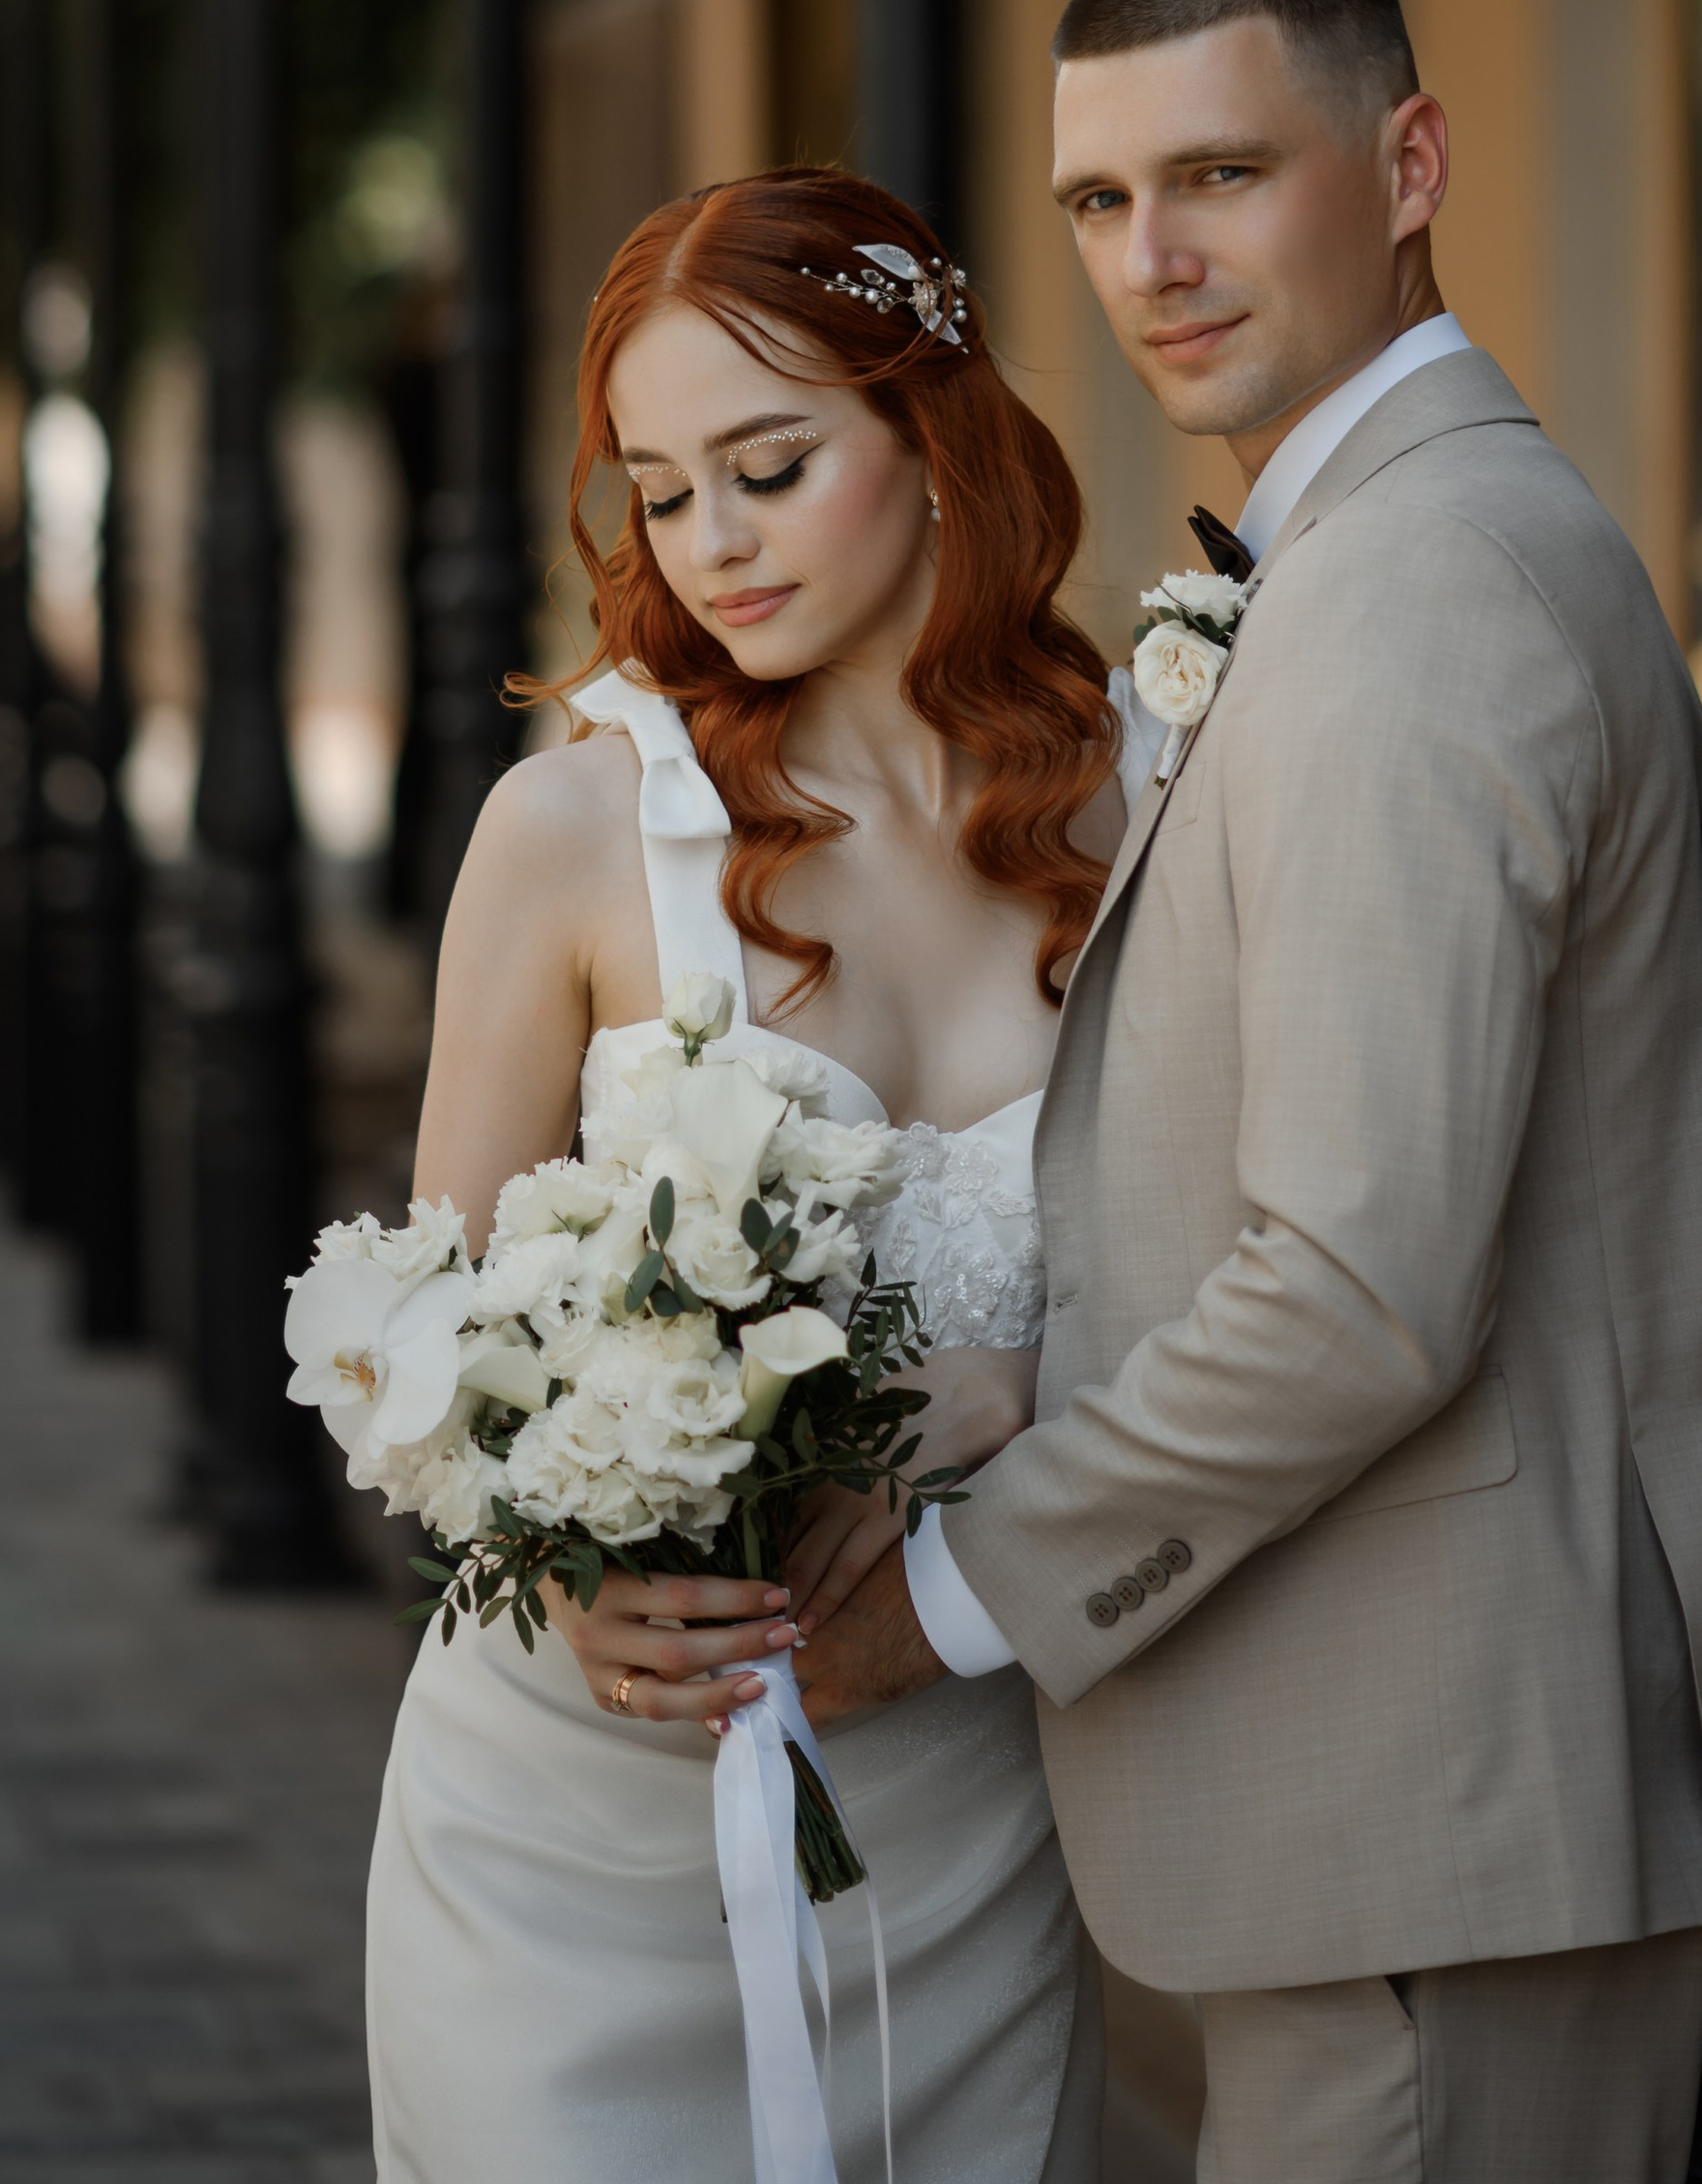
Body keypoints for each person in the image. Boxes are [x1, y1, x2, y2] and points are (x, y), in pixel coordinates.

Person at [799, 0, 1702, 2184]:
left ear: (1409, 160)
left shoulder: (1417, 591)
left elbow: (1358, 1287)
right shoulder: (1350, 549)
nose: (1148, 257)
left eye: (1223, 176)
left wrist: (945, 1602)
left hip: (1434, 1816)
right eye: (1095, 199)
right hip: (1362, 1808)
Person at [364, 165, 1117, 2184]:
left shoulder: (1145, 799)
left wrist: (1025, 1394)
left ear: (929, 431)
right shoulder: (571, 830)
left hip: (959, 1792)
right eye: (661, 488)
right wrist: (560, 1564)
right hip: (580, 1805)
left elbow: (1256, 1258)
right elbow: (408, 1330)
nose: (710, 546)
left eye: (768, 468)